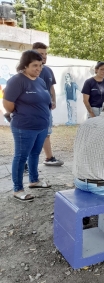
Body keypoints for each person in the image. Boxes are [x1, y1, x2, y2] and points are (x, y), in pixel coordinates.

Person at [2, 50, 52, 202]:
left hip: (41, 126)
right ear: (24, 66)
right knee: (21, 156)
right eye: (34, 65)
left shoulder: (40, 81)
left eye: (40, 65)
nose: (38, 69)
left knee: (35, 154)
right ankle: (18, 189)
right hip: (24, 126)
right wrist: (22, 113)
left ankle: (34, 181)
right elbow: (8, 105)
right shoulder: (17, 81)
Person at [32, 42, 64, 166]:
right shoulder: (27, 72)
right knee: (32, 135)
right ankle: (25, 162)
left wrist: (53, 100)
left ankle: (49, 158)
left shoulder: (48, 70)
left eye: (45, 54)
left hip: (47, 109)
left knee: (46, 133)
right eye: (41, 54)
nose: (44, 56)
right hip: (34, 110)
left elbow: (51, 87)